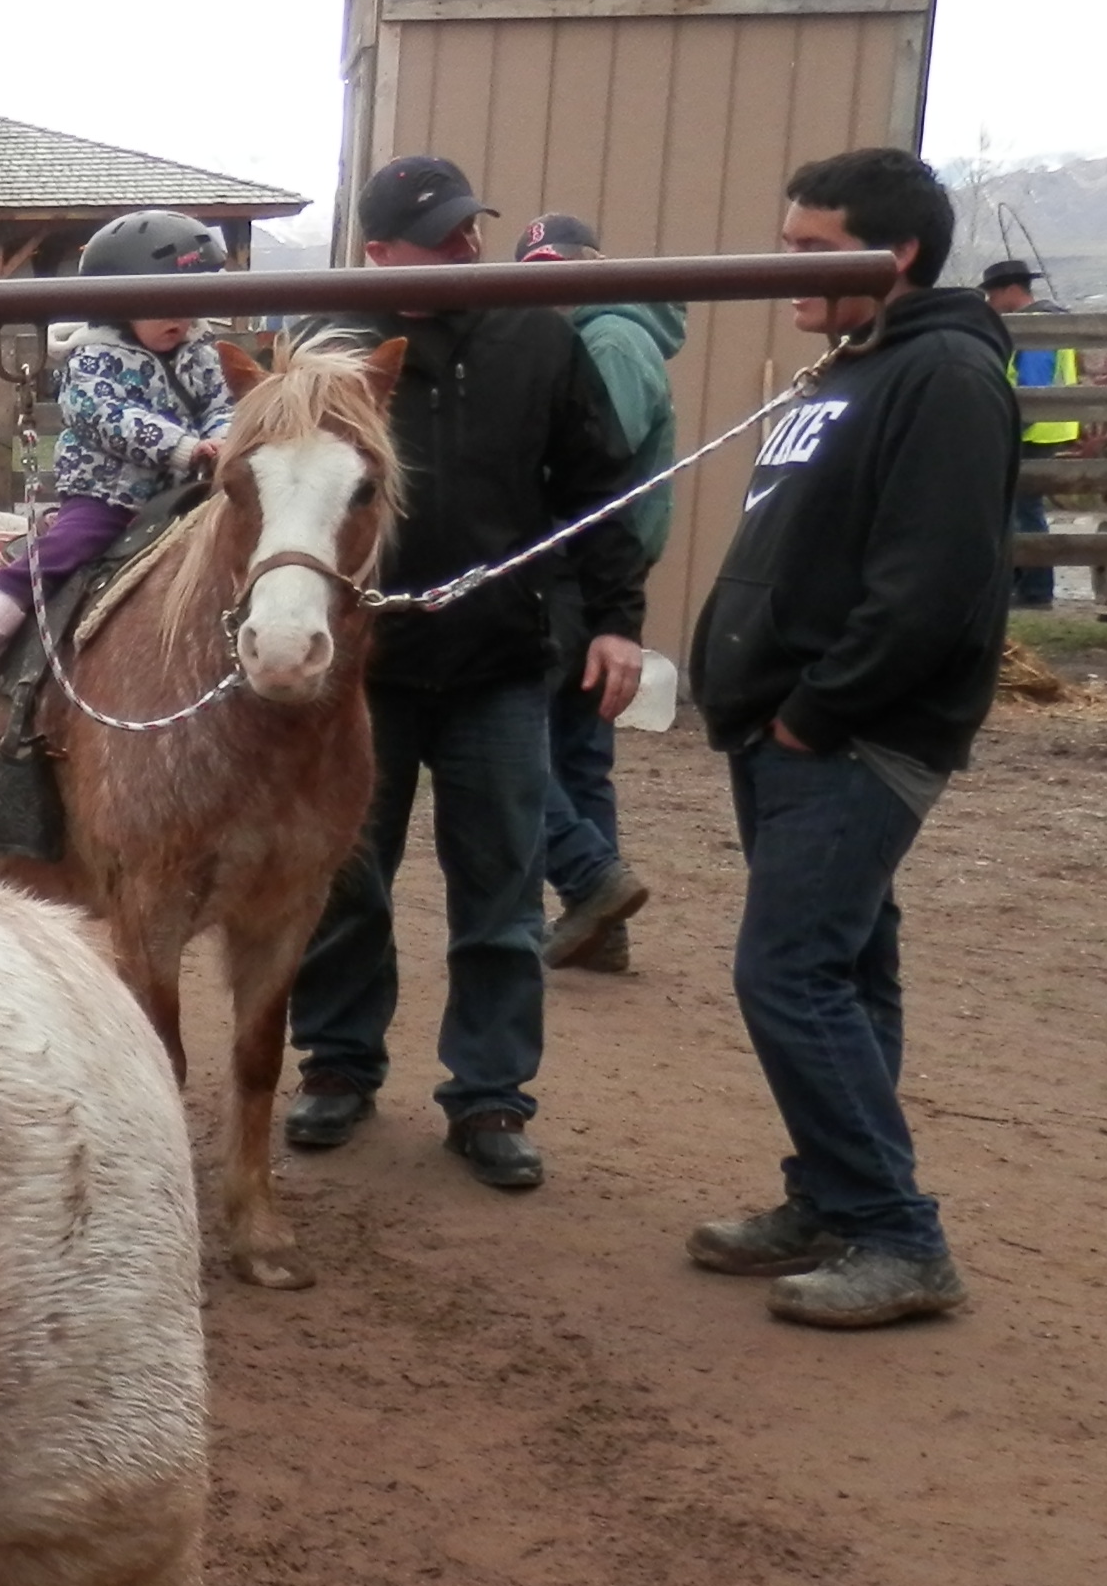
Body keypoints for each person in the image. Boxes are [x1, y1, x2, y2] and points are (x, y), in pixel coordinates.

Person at [685, 149, 1016, 1329]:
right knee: (846, 969)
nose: (788, 268)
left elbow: (933, 582)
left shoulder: (944, 378)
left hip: (852, 737)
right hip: (789, 730)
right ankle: (832, 1199)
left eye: (812, 249)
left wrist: (815, 712)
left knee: (788, 975)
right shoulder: (855, 367)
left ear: (897, 253)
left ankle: (898, 1239)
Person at [283, 154, 649, 1189]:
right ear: (379, 253)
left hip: (499, 659)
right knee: (348, 880)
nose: (466, 246)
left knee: (500, 889)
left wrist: (615, 622)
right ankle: (338, 1064)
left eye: (468, 228)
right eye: (440, 236)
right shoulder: (327, 350)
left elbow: (599, 490)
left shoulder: (536, 336)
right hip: (363, 669)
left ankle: (490, 1095)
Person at [0, 206, 236, 860]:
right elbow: (105, 416)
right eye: (165, 306)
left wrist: (224, 436)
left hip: (184, 491)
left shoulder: (199, 350)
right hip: (111, 491)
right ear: (118, 303)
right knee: (70, 546)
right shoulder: (94, 358)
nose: (181, 318)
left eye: (193, 303)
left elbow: (223, 402)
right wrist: (185, 447)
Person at [516, 217, 684, 973]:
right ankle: (599, 926)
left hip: (576, 571)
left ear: (594, 266)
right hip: (594, 572)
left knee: (519, 745)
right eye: (532, 268)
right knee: (578, 753)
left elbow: (589, 467)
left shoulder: (608, 342)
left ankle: (587, 881)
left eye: (557, 265)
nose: (546, 281)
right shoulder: (609, 335)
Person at [983, 258, 1079, 610]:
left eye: (993, 294)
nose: (991, 302)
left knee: (1023, 510)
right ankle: (1024, 584)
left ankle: (1034, 589)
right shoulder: (1053, 320)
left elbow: (1033, 386)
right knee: (1021, 507)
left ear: (1011, 290)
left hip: (1031, 430)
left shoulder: (1036, 327)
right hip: (1046, 427)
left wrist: (1010, 428)